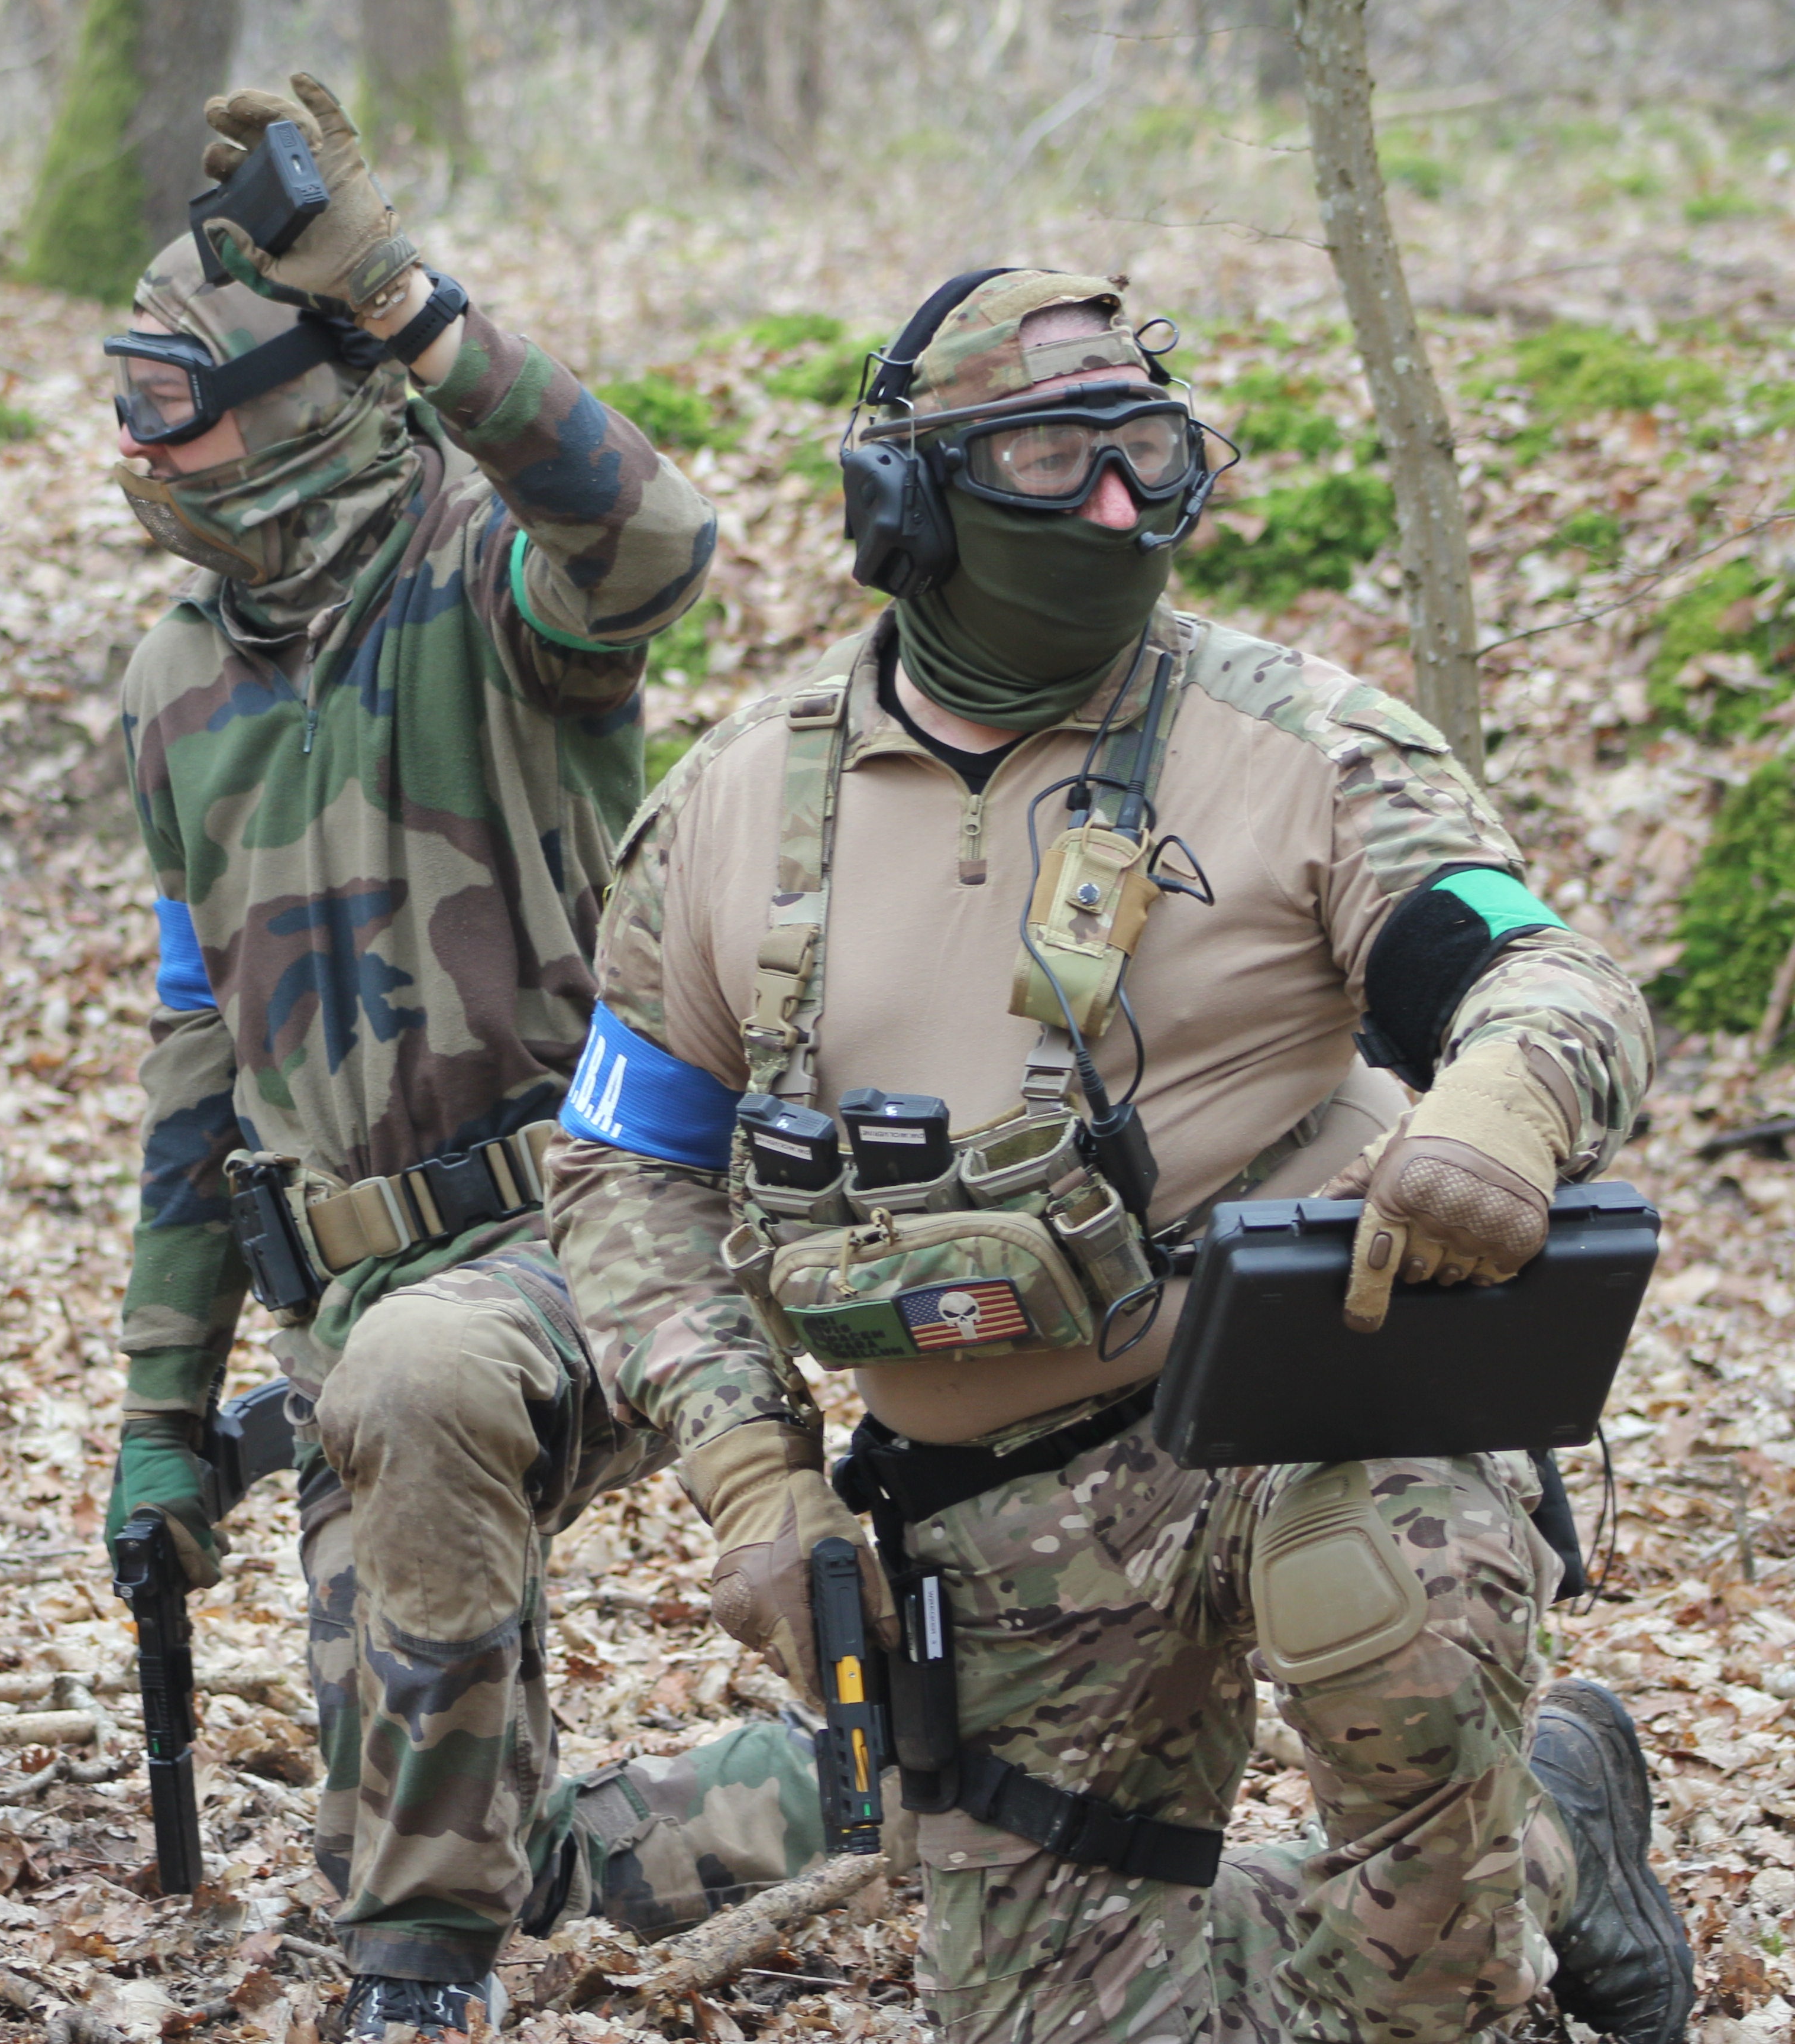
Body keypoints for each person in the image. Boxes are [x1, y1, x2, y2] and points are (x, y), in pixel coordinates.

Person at [549, 266, 1694, 2042]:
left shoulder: (1302, 743)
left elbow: (1539, 967)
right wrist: (756, 1479)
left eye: (1147, 453)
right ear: (907, 501)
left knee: (1392, 1627)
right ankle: (1547, 1835)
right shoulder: (731, 805)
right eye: (1051, 457)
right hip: (984, 1496)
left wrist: (1505, 1104)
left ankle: (1465, 1872)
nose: (1112, 508)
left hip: (1301, 1401)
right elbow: (629, 1171)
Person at [98, 76, 827, 2037]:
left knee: (421, 1394)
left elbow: (653, 537)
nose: (137, 445)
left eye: (172, 401)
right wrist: (162, 1407)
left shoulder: (487, 570)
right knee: (455, 1825)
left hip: (600, 1229)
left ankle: (416, 1991)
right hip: (352, 1298)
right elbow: (196, 1043)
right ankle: (892, 1776)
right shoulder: (174, 678)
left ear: (304, 391)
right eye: (123, 398)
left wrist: (401, 295)